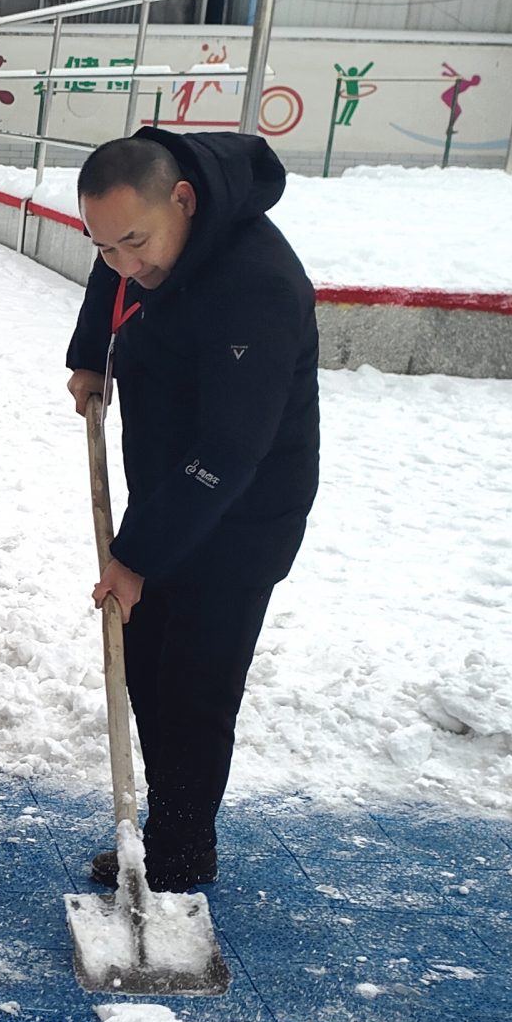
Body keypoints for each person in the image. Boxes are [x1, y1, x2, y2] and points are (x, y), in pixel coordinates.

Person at [64, 129, 319, 892]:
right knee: (145, 667)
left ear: (183, 199)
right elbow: (111, 270)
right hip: (171, 489)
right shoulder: (141, 237)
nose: (124, 264)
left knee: (195, 691)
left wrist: (136, 558)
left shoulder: (258, 286)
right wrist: (89, 352)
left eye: (135, 243)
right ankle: (166, 825)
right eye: (106, 245)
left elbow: (229, 454)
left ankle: (179, 857)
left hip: (242, 512)